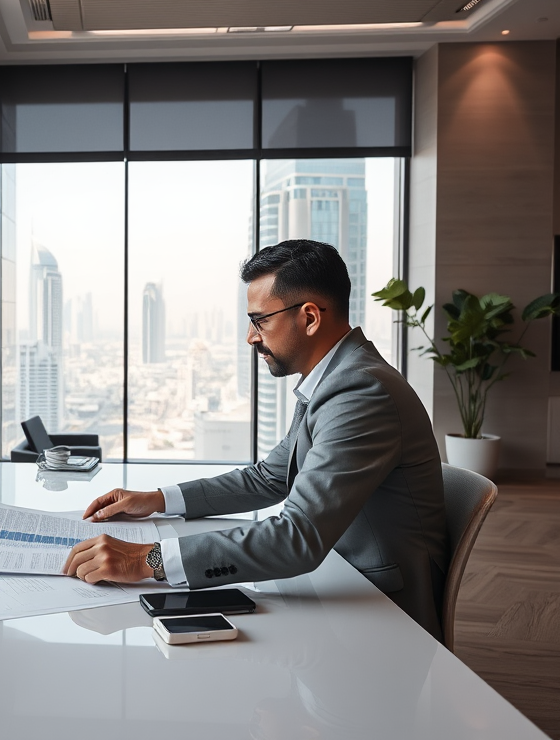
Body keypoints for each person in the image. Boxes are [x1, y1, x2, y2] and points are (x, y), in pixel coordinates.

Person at [63, 239, 449, 640]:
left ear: (310, 317)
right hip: (335, 582)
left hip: (381, 616)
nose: (251, 337)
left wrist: (146, 560)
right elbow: (269, 478)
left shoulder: (359, 392)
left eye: (260, 320)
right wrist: (156, 500)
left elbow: (297, 537)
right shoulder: (336, 379)